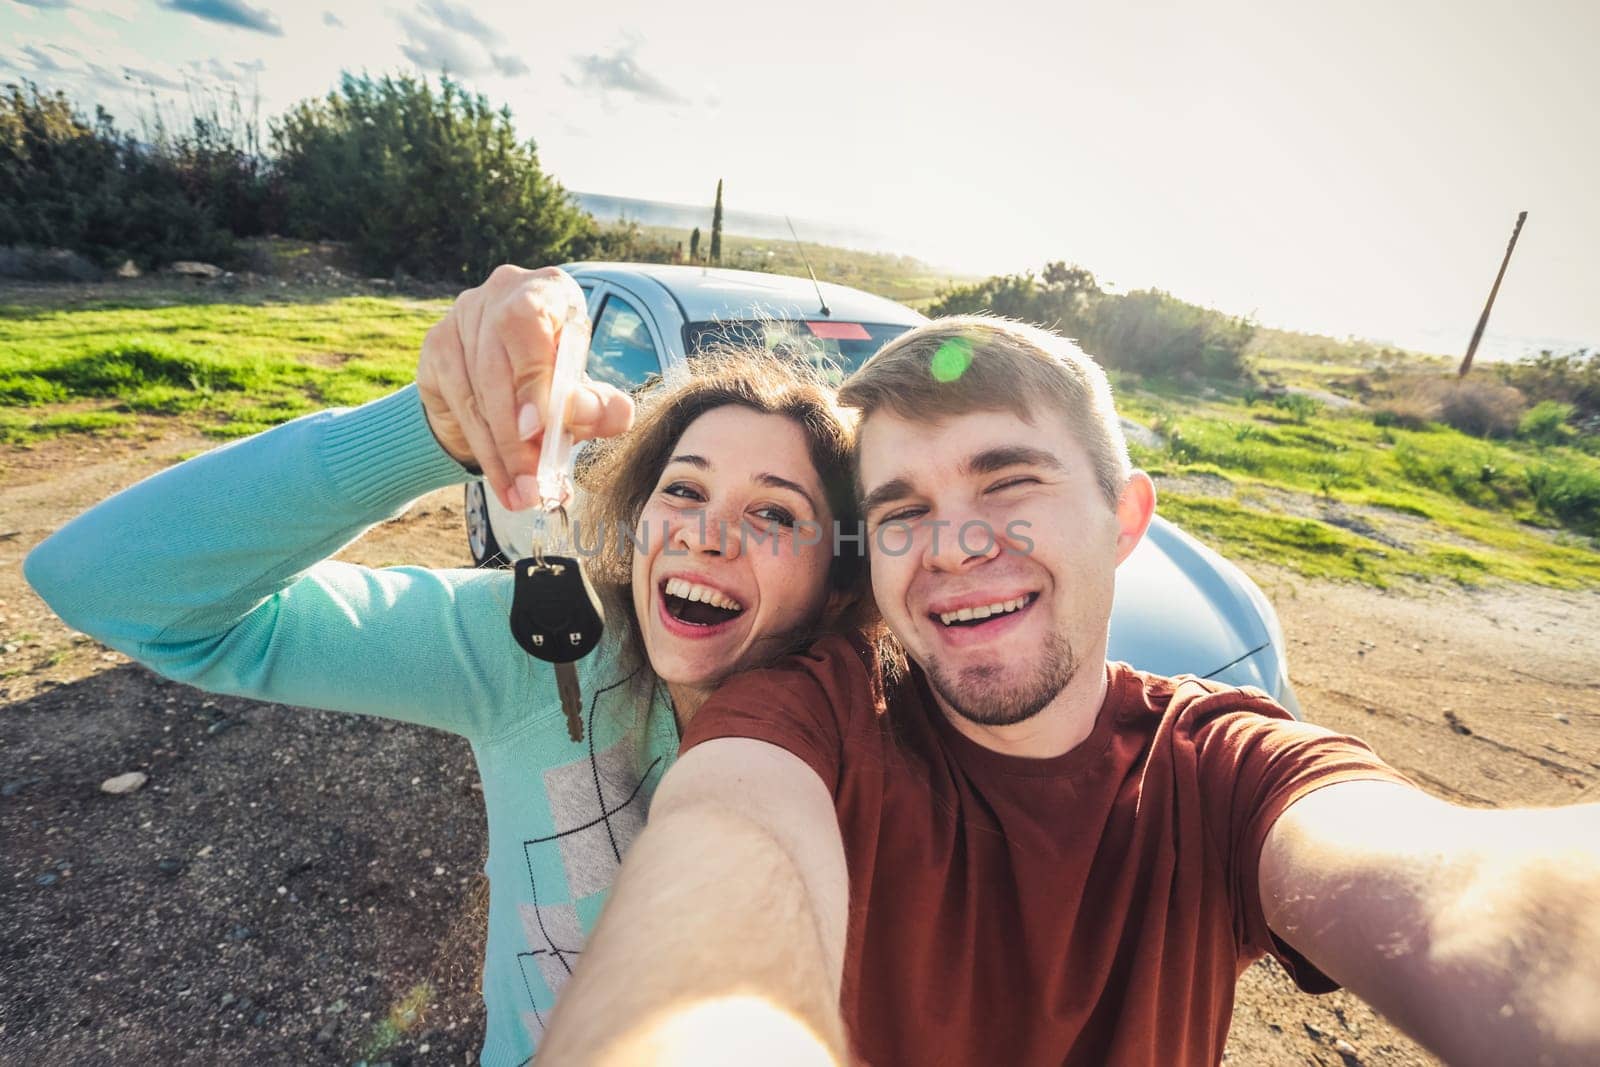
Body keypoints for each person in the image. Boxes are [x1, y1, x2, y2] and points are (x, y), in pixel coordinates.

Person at [539, 316, 1600, 1067]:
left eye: (1007, 482)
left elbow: (1457, 887)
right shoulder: (813, 715)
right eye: (903, 508)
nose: (954, 545)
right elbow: (731, 841)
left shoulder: (1219, 771)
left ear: (1124, 516)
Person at [23, 265, 871, 1066]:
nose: (705, 532)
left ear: (839, 587)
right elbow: (109, 584)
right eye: (683, 489)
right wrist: (430, 433)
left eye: (772, 510)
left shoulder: (886, 744)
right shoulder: (538, 650)